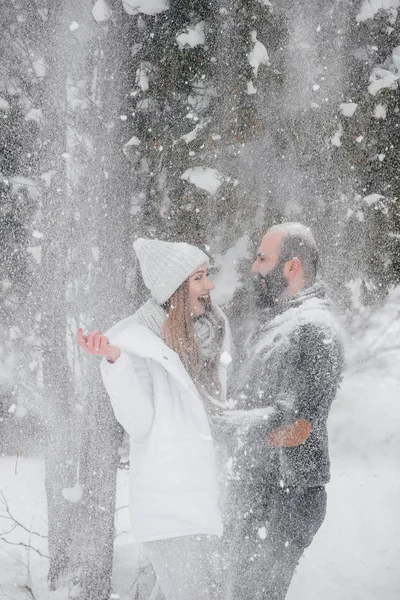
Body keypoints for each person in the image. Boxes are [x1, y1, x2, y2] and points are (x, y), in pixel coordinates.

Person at [77, 238, 232, 600]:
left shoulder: (205, 335)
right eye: (198, 278)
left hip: (205, 503)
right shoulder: (139, 347)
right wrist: (116, 363)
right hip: (172, 508)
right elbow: (139, 423)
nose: (209, 286)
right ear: (175, 290)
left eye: (206, 275)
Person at [228, 222, 345, 600]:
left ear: (292, 267)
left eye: (263, 258)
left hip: (285, 499)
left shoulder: (314, 329)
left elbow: (296, 426)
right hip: (262, 493)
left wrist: (219, 423)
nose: (255, 268)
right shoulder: (282, 322)